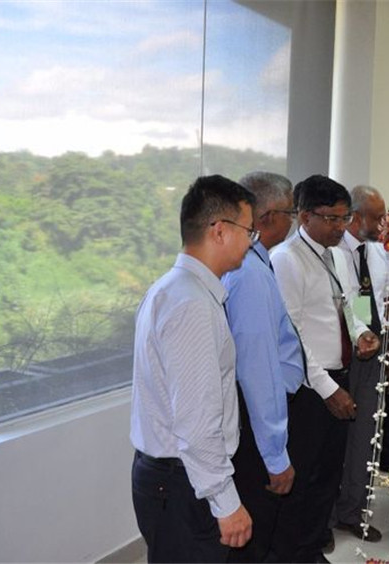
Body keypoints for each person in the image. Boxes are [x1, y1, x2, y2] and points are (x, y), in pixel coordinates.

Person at [130, 175, 255, 562]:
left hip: (175, 479)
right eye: (248, 230)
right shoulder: (191, 305)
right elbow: (197, 422)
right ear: (220, 230)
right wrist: (226, 501)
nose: (251, 241)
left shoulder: (175, 288)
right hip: (184, 484)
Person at [270, 175, 380, 563]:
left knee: (328, 474)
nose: (339, 227)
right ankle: (292, 553)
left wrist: (362, 332)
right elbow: (292, 336)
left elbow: (347, 305)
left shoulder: (335, 255)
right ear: (304, 217)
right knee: (302, 477)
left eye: (344, 217)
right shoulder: (287, 259)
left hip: (339, 375)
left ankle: (312, 547)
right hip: (309, 388)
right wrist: (328, 389)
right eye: (331, 219)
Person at [221, 172, 306, 562]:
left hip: (254, 415)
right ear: (269, 216)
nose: (293, 221)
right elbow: (257, 372)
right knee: (254, 536)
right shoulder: (251, 274)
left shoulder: (256, 263)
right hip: (255, 424)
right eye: (291, 212)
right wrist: (276, 456)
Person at [333, 185, 389, 543]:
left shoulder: (377, 252)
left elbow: (383, 301)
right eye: (378, 217)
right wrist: (361, 335)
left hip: (375, 351)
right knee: (334, 440)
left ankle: (353, 511)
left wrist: (387, 346)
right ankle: (326, 515)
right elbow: (348, 302)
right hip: (343, 354)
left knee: (367, 437)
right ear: (357, 217)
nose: (384, 224)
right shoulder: (333, 252)